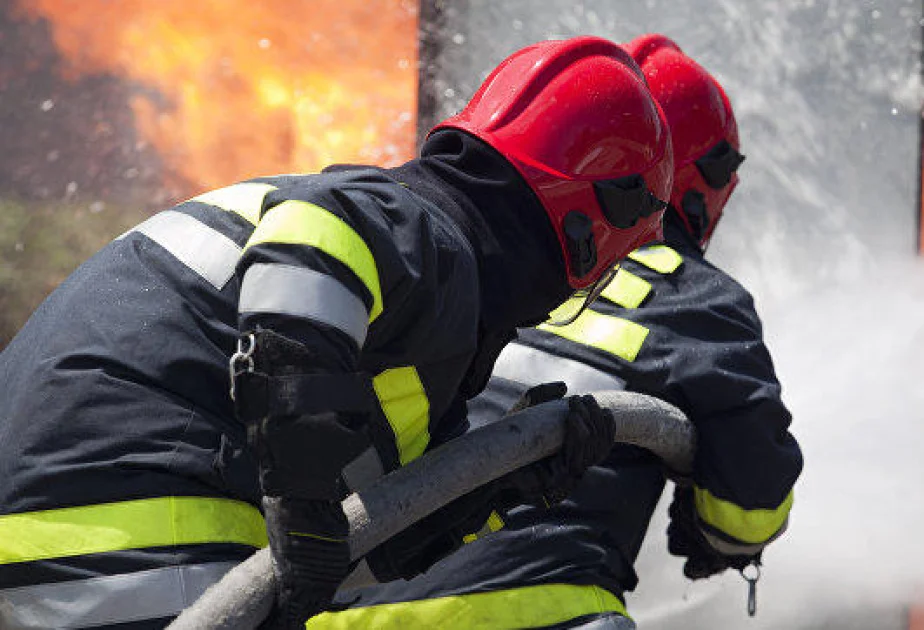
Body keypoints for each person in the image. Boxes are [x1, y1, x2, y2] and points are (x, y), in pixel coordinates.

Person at [0, 36, 674, 629]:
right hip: (129, 529)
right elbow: (316, 237)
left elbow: (361, 543)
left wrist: (507, 485)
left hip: (56, 536)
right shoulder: (422, 231)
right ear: (589, 231)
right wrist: (302, 495)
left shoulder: (395, 315)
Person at [307, 34, 803, 629]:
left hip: (337, 611)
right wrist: (714, 528)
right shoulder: (695, 300)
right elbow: (748, 511)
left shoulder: (459, 264)